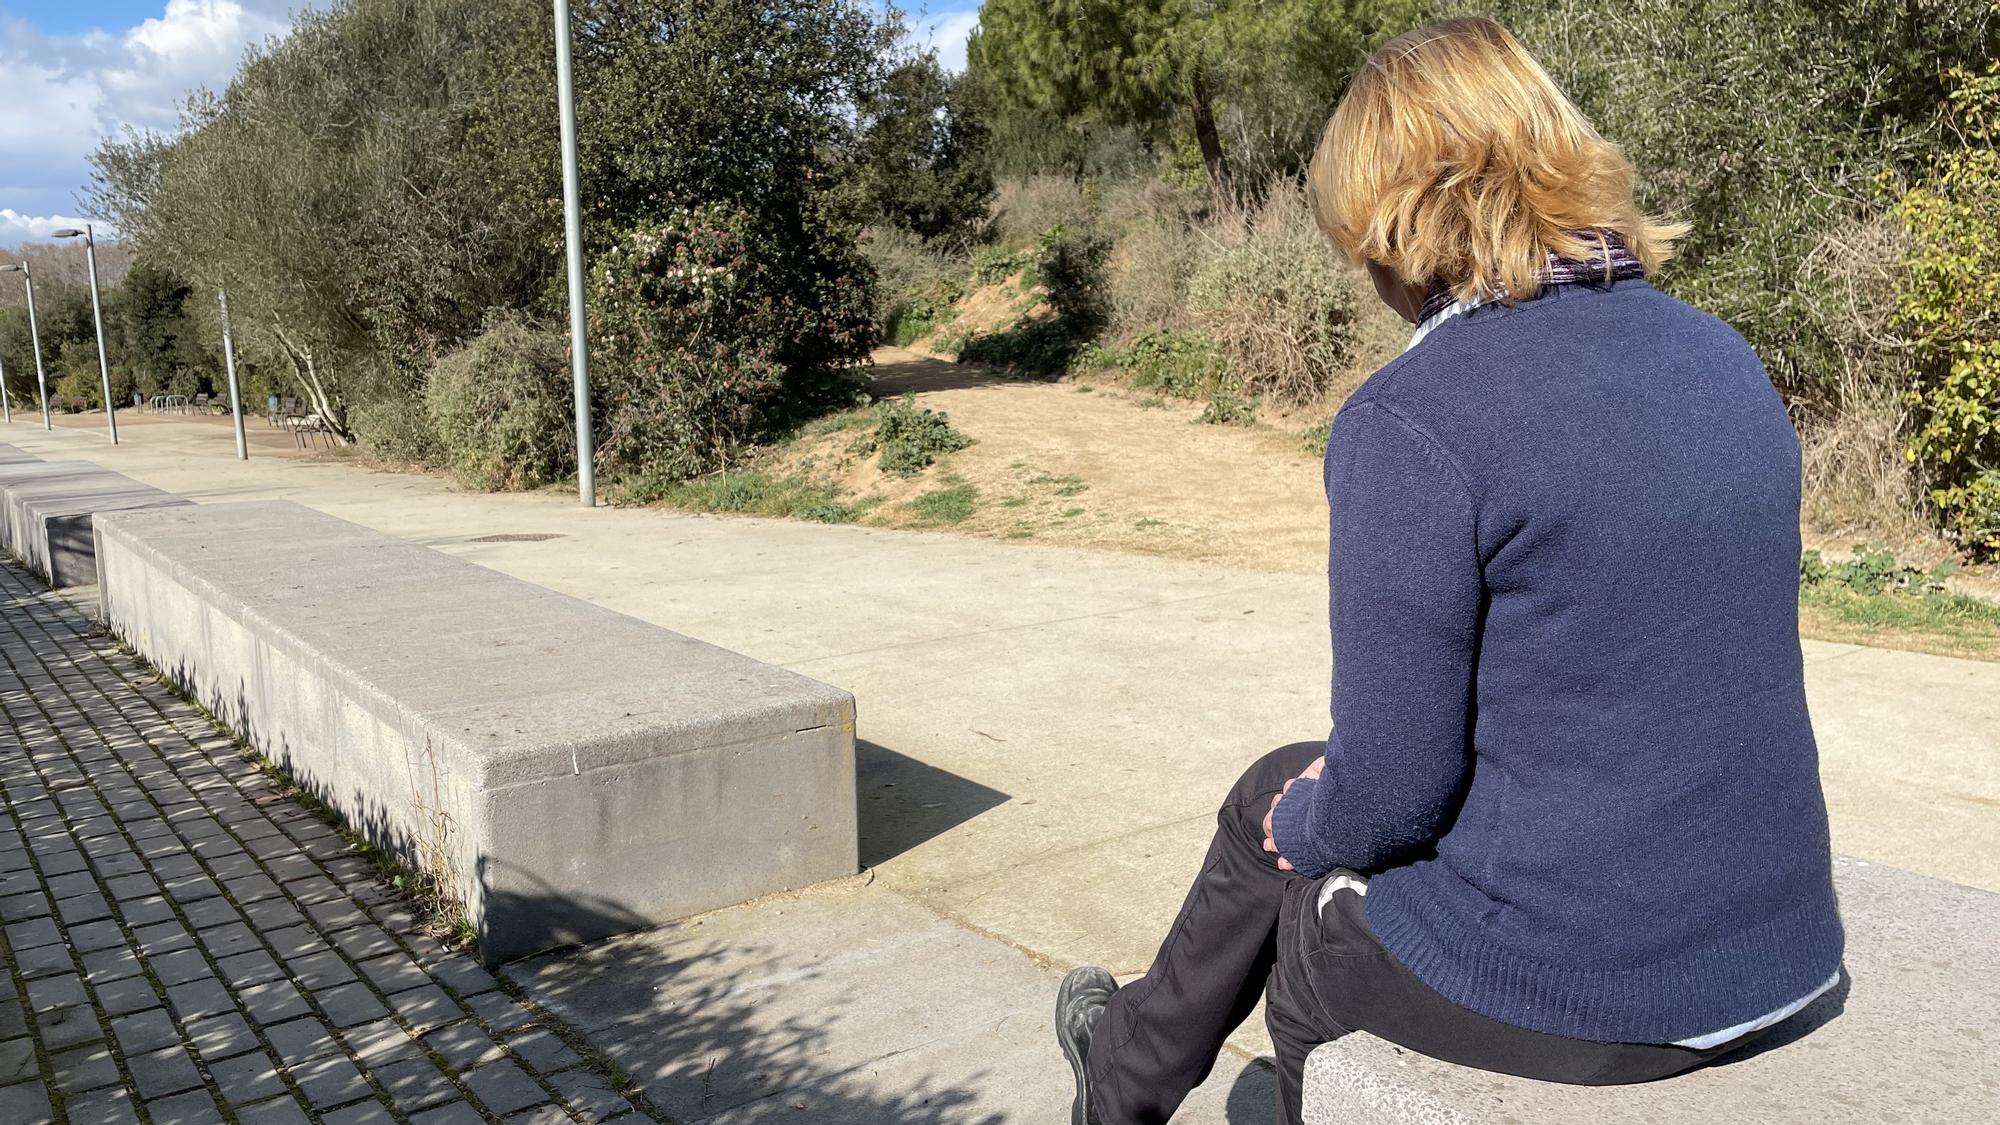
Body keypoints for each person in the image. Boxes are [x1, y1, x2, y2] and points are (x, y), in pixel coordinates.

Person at [1054, 16, 1845, 1125]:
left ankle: (1122, 1091)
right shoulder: (1718, 354)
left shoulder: (1414, 420)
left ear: (1395, 224)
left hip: (1596, 988)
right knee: (1276, 786)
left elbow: (1387, 798)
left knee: (1305, 925)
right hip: (1782, 952)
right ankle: (1121, 1072)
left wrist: (1310, 831)